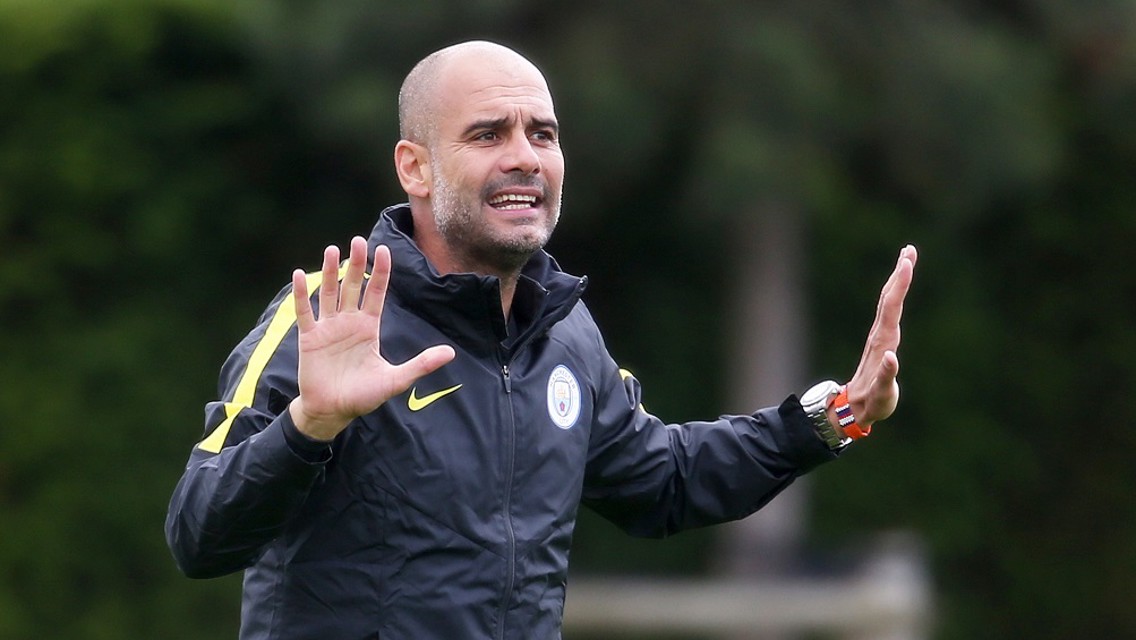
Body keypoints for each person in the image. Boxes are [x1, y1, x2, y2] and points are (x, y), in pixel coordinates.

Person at [165, 40, 918, 640]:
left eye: (543, 134)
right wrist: (309, 427)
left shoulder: (563, 333)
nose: (525, 155)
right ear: (415, 167)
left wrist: (839, 414)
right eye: (489, 134)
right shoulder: (326, 319)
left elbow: (664, 481)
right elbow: (197, 531)